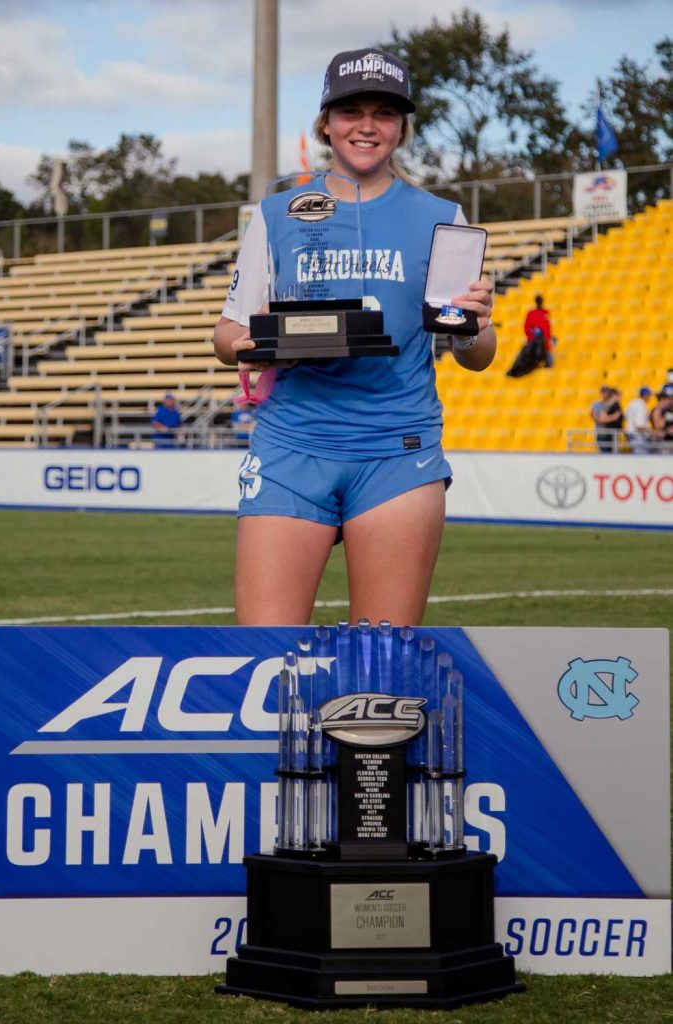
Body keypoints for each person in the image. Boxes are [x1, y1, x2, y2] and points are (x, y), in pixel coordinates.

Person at [213, 47, 496, 626]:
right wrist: (264, 341)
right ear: (325, 122)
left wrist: (475, 324)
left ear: (402, 126)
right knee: (265, 658)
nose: (367, 125)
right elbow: (226, 336)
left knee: (383, 664)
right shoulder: (275, 213)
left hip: (398, 451)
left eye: (385, 112)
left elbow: (476, 355)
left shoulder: (441, 216)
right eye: (350, 110)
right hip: (292, 445)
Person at [523, 294, 554, 368]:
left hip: (544, 342)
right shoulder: (531, 313)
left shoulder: (546, 312)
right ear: (536, 302)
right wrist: (532, 337)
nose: (539, 302)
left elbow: (548, 328)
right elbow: (526, 327)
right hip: (534, 341)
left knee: (550, 359)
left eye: (540, 301)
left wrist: (547, 338)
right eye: (538, 301)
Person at [590, 385, 623, 453]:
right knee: (606, 454)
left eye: (607, 392)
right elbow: (597, 418)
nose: (606, 394)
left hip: (611, 433)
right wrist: (614, 417)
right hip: (603, 432)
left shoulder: (612, 404)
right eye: (604, 392)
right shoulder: (597, 404)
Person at [624, 386, 653, 454]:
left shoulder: (632, 402)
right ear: (646, 395)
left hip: (632, 435)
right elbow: (639, 426)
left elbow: (625, 415)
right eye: (649, 395)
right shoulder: (641, 405)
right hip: (638, 437)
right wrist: (652, 431)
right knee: (642, 460)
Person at [649, 383, 673, 451]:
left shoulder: (667, 410)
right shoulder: (657, 410)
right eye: (668, 399)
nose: (669, 402)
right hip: (661, 442)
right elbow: (659, 426)